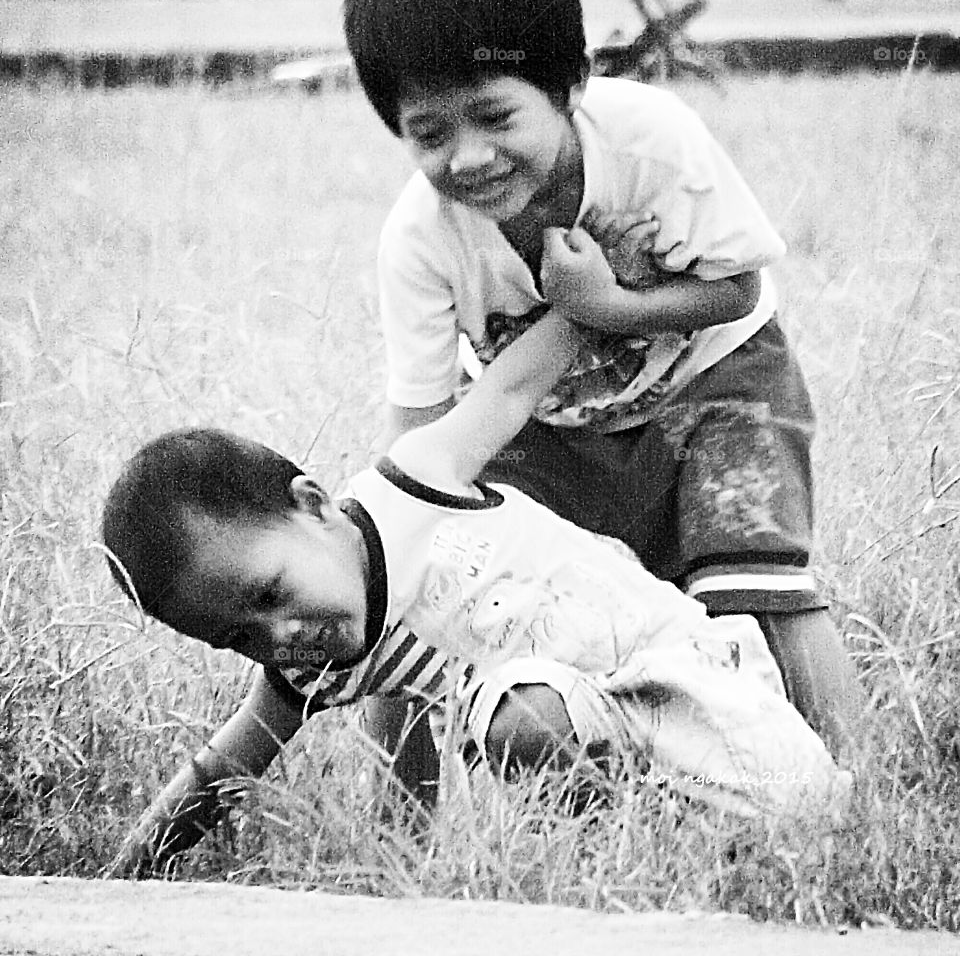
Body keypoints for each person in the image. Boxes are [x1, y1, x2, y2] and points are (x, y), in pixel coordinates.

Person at [343, 0, 863, 802]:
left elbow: (738, 289)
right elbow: (422, 429)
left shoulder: (652, 140)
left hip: (715, 378)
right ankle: (403, 815)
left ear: (571, 83)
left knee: (754, 582)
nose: (469, 157)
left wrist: (607, 307)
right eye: (430, 133)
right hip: (546, 424)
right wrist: (396, 542)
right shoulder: (420, 241)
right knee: (442, 584)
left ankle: (864, 786)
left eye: (494, 115)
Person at [103, 253, 849, 876]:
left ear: (314, 506)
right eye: (240, 638)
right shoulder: (311, 672)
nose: (281, 635)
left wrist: (594, 298)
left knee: (810, 818)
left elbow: (513, 385)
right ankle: (620, 852)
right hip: (581, 725)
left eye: (271, 593)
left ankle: (766, 809)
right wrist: (125, 873)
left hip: (683, 668)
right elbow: (221, 770)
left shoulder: (415, 482)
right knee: (522, 717)